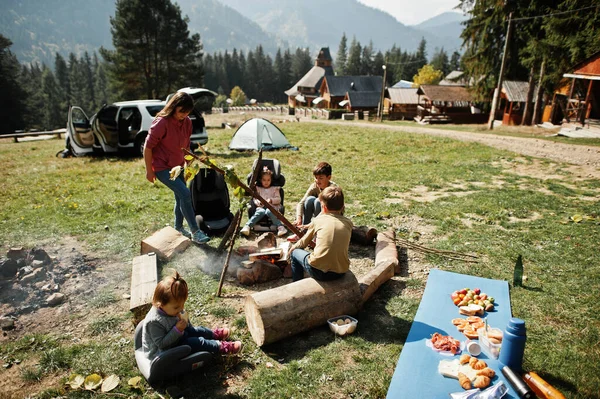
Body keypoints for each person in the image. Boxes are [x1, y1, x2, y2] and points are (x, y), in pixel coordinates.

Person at [143, 92, 210, 244]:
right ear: (174, 107)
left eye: (187, 112)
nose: (184, 115)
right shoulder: (161, 123)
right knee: (185, 194)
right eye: (181, 111)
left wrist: (189, 159)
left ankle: (178, 227)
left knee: (180, 196)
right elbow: (148, 147)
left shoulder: (187, 122)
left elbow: (185, 145)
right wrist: (149, 170)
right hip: (162, 167)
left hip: (178, 166)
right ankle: (195, 231)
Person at [141, 271, 242, 362]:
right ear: (160, 304)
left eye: (182, 305)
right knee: (196, 342)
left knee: (198, 330)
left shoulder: (171, 310)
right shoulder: (154, 322)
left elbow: (187, 327)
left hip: (177, 336)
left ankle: (213, 334)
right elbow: (161, 344)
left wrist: (186, 324)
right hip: (162, 352)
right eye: (177, 307)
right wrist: (177, 329)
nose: (180, 309)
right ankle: (221, 347)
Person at [288, 186, 352, 282]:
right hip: (340, 271)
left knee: (295, 253)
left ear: (324, 208)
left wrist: (292, 248)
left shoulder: (318, 220)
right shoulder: (348, 223)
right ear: (343, 206)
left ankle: (296, 283)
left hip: (318, 271)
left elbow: (303, 243)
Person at [240, 167, 287, 237]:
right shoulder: (258, 189)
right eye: (264, 180)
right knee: (260, 212)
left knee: (269, 211)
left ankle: (280, 227)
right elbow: (255, 199)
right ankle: (248, 226)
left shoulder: (275, 189)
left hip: (273, 207)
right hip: (261, 207)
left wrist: (271, 200)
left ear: (271, 180)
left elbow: (278, 199)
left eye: (268, 180)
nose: (266, 182)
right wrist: (259, 202)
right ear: (260, 180)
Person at [294, 162, 337, 227]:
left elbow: (329, 210)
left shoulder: (332, 189)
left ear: (329, 177)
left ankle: (318, 228)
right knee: (309, 200)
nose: (317, 180)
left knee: (318, 201)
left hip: (331, 216)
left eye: (321, 178)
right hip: (320, 215)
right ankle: (304, 228)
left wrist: (313, 224)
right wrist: (299, 218)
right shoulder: (314, 186)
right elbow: (301, 203)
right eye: (316, 177)